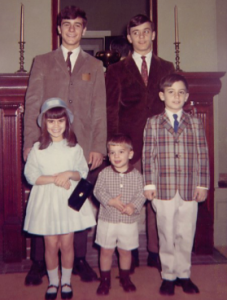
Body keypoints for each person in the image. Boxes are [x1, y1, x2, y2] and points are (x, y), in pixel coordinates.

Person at [23, 6, 106, 285]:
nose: (72, 29)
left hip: (80, 147)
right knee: (45, 202)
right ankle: (39, 263)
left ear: (84, 30)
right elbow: (32, 103)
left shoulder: (94, 66)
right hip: (47, 142)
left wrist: (98, 146)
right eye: (66, 24)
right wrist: (28, 143)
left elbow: (99, 109)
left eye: (77, 25)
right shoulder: (42, 61)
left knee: (75, 201)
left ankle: (79, 260)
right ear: (59, 29)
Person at [105, 14, 175, 270]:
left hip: (161, 146)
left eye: (146, 31)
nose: (142, 37)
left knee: (158, 202)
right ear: (129, 37)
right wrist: (114, 147)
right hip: (129, 145)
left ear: (153, 34)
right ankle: (128, 250)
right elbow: (111, 109)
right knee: (129, 200)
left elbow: (174, 106)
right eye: (136, 33)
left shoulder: (167, 68)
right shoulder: (115, 70)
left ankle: (157, 252)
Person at [142, 73, 210, 296]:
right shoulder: (153, 123)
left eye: (181, 92)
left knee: (185, 233)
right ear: (162, 95)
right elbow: (148, 156)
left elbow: (203, 154)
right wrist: (149, 184)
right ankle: (168, 275)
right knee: (166, 234)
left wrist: (203, 184)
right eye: (171, 92)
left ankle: (184, 274)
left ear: (187, 96)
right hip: (163, 188)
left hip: (190, 187)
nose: (176, 96)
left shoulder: (195, 122)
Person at [23, 98, 96, 299]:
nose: (56, 126)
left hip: (67, 201)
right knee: (51, 245)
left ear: (67, 123)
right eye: (51, 121)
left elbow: (81, 171)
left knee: (66, 244)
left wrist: (68, 174)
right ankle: (53, 282)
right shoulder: (37, 149)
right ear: (44, 123)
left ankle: (66, 281)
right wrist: (56, 178)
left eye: (60, 121)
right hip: (46, 202)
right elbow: (31, 176)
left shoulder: (74, 148)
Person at [94, 134, 145, 295]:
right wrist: (110, 201)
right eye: (112, 152)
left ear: (130, 154)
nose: (116, 156)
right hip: (107, 219)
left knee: (125, 250)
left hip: (128, 221)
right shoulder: (104, 174)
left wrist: (133, 205)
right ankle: (105, 280)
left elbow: (141, 193)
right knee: (106, 250)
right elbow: (98, 191)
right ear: (108, 155)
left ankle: (125, 277)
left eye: (121, 152)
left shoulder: (137, 175)